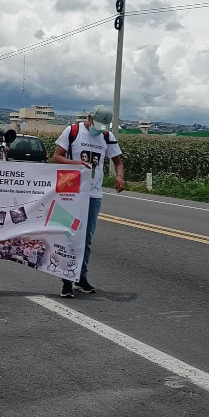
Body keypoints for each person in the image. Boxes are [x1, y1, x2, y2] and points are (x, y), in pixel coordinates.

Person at [52, 105, 124, 298]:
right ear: (90, 118)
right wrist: (76, 164)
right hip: (72, 192)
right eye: (97, 124)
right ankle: (66, 279)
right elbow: (56, 157)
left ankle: (81, 277)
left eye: (103, 126)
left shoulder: (107, 136)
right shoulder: (73, 131)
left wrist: (120, 176)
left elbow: (117, 161)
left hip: (94, 194)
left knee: (86, 238)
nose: (99, 129)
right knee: (70, 235)